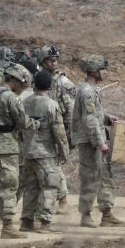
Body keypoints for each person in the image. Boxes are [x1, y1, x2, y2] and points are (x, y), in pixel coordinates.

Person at [0, 63, 38, 239]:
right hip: (6, 147)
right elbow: (22, 122)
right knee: (9, 184)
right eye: (22, 85)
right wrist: (36, 123)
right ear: (14, 80)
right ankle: (7, 226)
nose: (22, 90)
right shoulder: (10, 98)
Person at [72, 55, 125, 228]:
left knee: (103, 176)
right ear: (94, 70)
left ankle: (107, 214)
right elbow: (89, 120)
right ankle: (86, 216)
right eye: (103, 69)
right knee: (90, 177)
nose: (105, 72)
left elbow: (94, 116)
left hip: (94, 139)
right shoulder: (87, 91)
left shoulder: (91, 89)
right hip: (90, 142)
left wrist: (107, 118)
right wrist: (99, 142)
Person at [19, 70, 69, 233]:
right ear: (50, 85)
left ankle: (26, 222)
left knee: (31, 188)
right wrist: (64, 152)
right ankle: (45, 222)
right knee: (50, 185)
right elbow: (59, 132)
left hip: (27, 152)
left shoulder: (24, 102)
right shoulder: (51, 105)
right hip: (45, 153)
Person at [37, 45, 75, 212]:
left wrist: (67, 136)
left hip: (57, 130)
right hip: (39, 131)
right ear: (43, 61)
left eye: (56, 60)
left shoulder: (64, 83)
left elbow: (71, 112)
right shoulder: (36, 79)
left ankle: (62, 199)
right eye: (51, 60)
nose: (54, 63)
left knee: (54, 166)